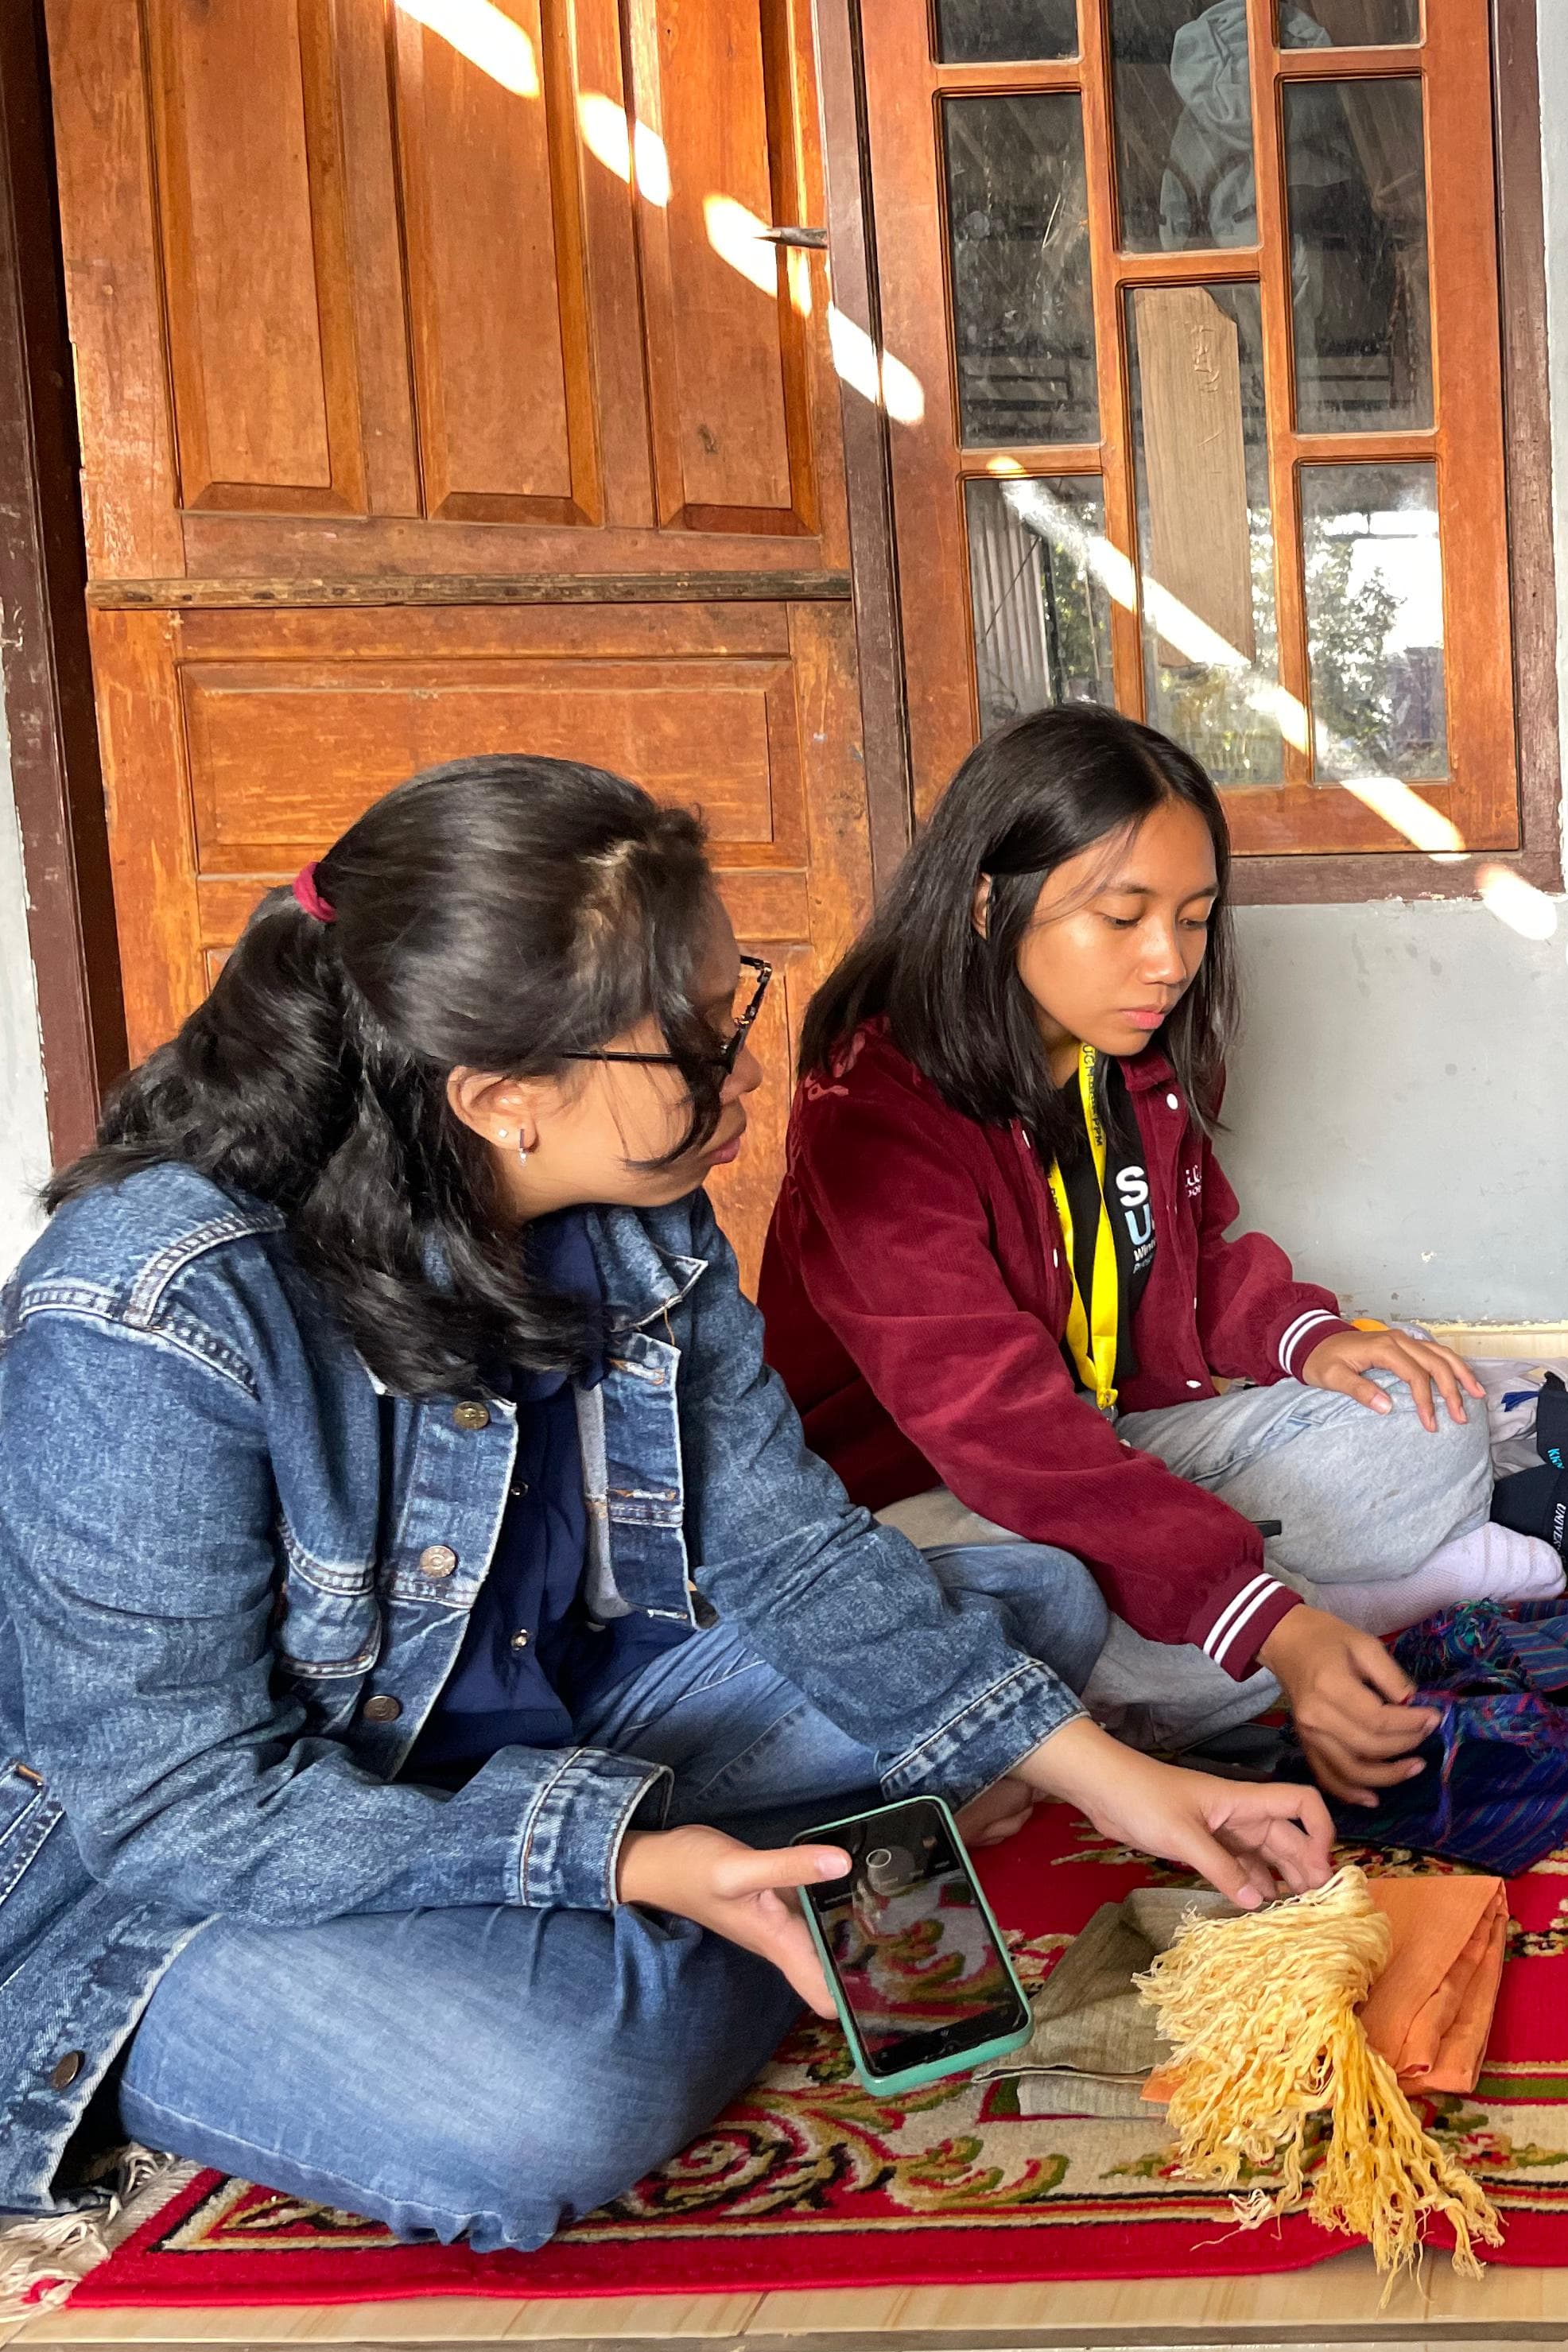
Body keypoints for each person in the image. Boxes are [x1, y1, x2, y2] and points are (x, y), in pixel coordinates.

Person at [0, 758, 1329, 2247]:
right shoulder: (151, 1312)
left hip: (549, 1728)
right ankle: (714, 1914)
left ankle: (721, 1898)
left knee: (1035, 1602)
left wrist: (1121, 1783)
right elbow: (179, 1809)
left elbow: (796, 1553)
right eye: (695, 1042)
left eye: (731, 1008)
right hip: (197, 1879)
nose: (745, 1073)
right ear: (504, 1099)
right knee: (558, 2099)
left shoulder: (640, 1215)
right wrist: (624, 1856)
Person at [761, 705, 1561, 1810]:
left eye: (1193, 920)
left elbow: (1192, 1256)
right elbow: (1000, 1432)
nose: (1169, 961)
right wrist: (1270, 1620)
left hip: (1107, 1443)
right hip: (933, 1501)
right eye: (1125, 917)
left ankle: (1191, 1668)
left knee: (1429, 1407)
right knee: (1037, 1598)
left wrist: (1312, 1340)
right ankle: (1308, 1622)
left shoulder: (1131, 1059)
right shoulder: (876, 1105)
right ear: (992, 903)